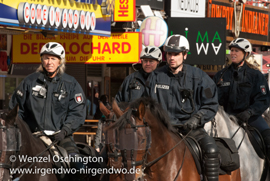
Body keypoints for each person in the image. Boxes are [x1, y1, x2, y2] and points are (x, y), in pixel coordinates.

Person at [9, 42, 87, 180]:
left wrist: (65, 131)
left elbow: (77, 112)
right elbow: (16, 111)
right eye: (46, 58)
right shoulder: (29, 82)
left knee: (78, 167)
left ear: (60, 61)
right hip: (32, 136)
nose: (49, 62)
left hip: (61, 137)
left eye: (53, 58)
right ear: (41, 60)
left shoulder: (71, 84)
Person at [151, 34, 220, 181]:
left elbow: (211, 104)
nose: (172, 58)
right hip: (163, 130)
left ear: (185, 55)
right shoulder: (155, 76)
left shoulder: (201, 77)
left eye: (176, 54)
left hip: (192, 129)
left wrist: (196, 119)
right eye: (169, 53)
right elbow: (146, 103)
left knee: (211, 149)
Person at [213, 38, 270, 161]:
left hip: (251, 118)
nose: (233, 53)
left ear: (246, 54)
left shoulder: (255, 75)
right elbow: (213, 98)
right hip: (226, 118)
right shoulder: (221, 75)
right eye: (232, 50)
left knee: (268, 137)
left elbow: (263, 99)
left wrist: (250, 112)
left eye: (237, 51)